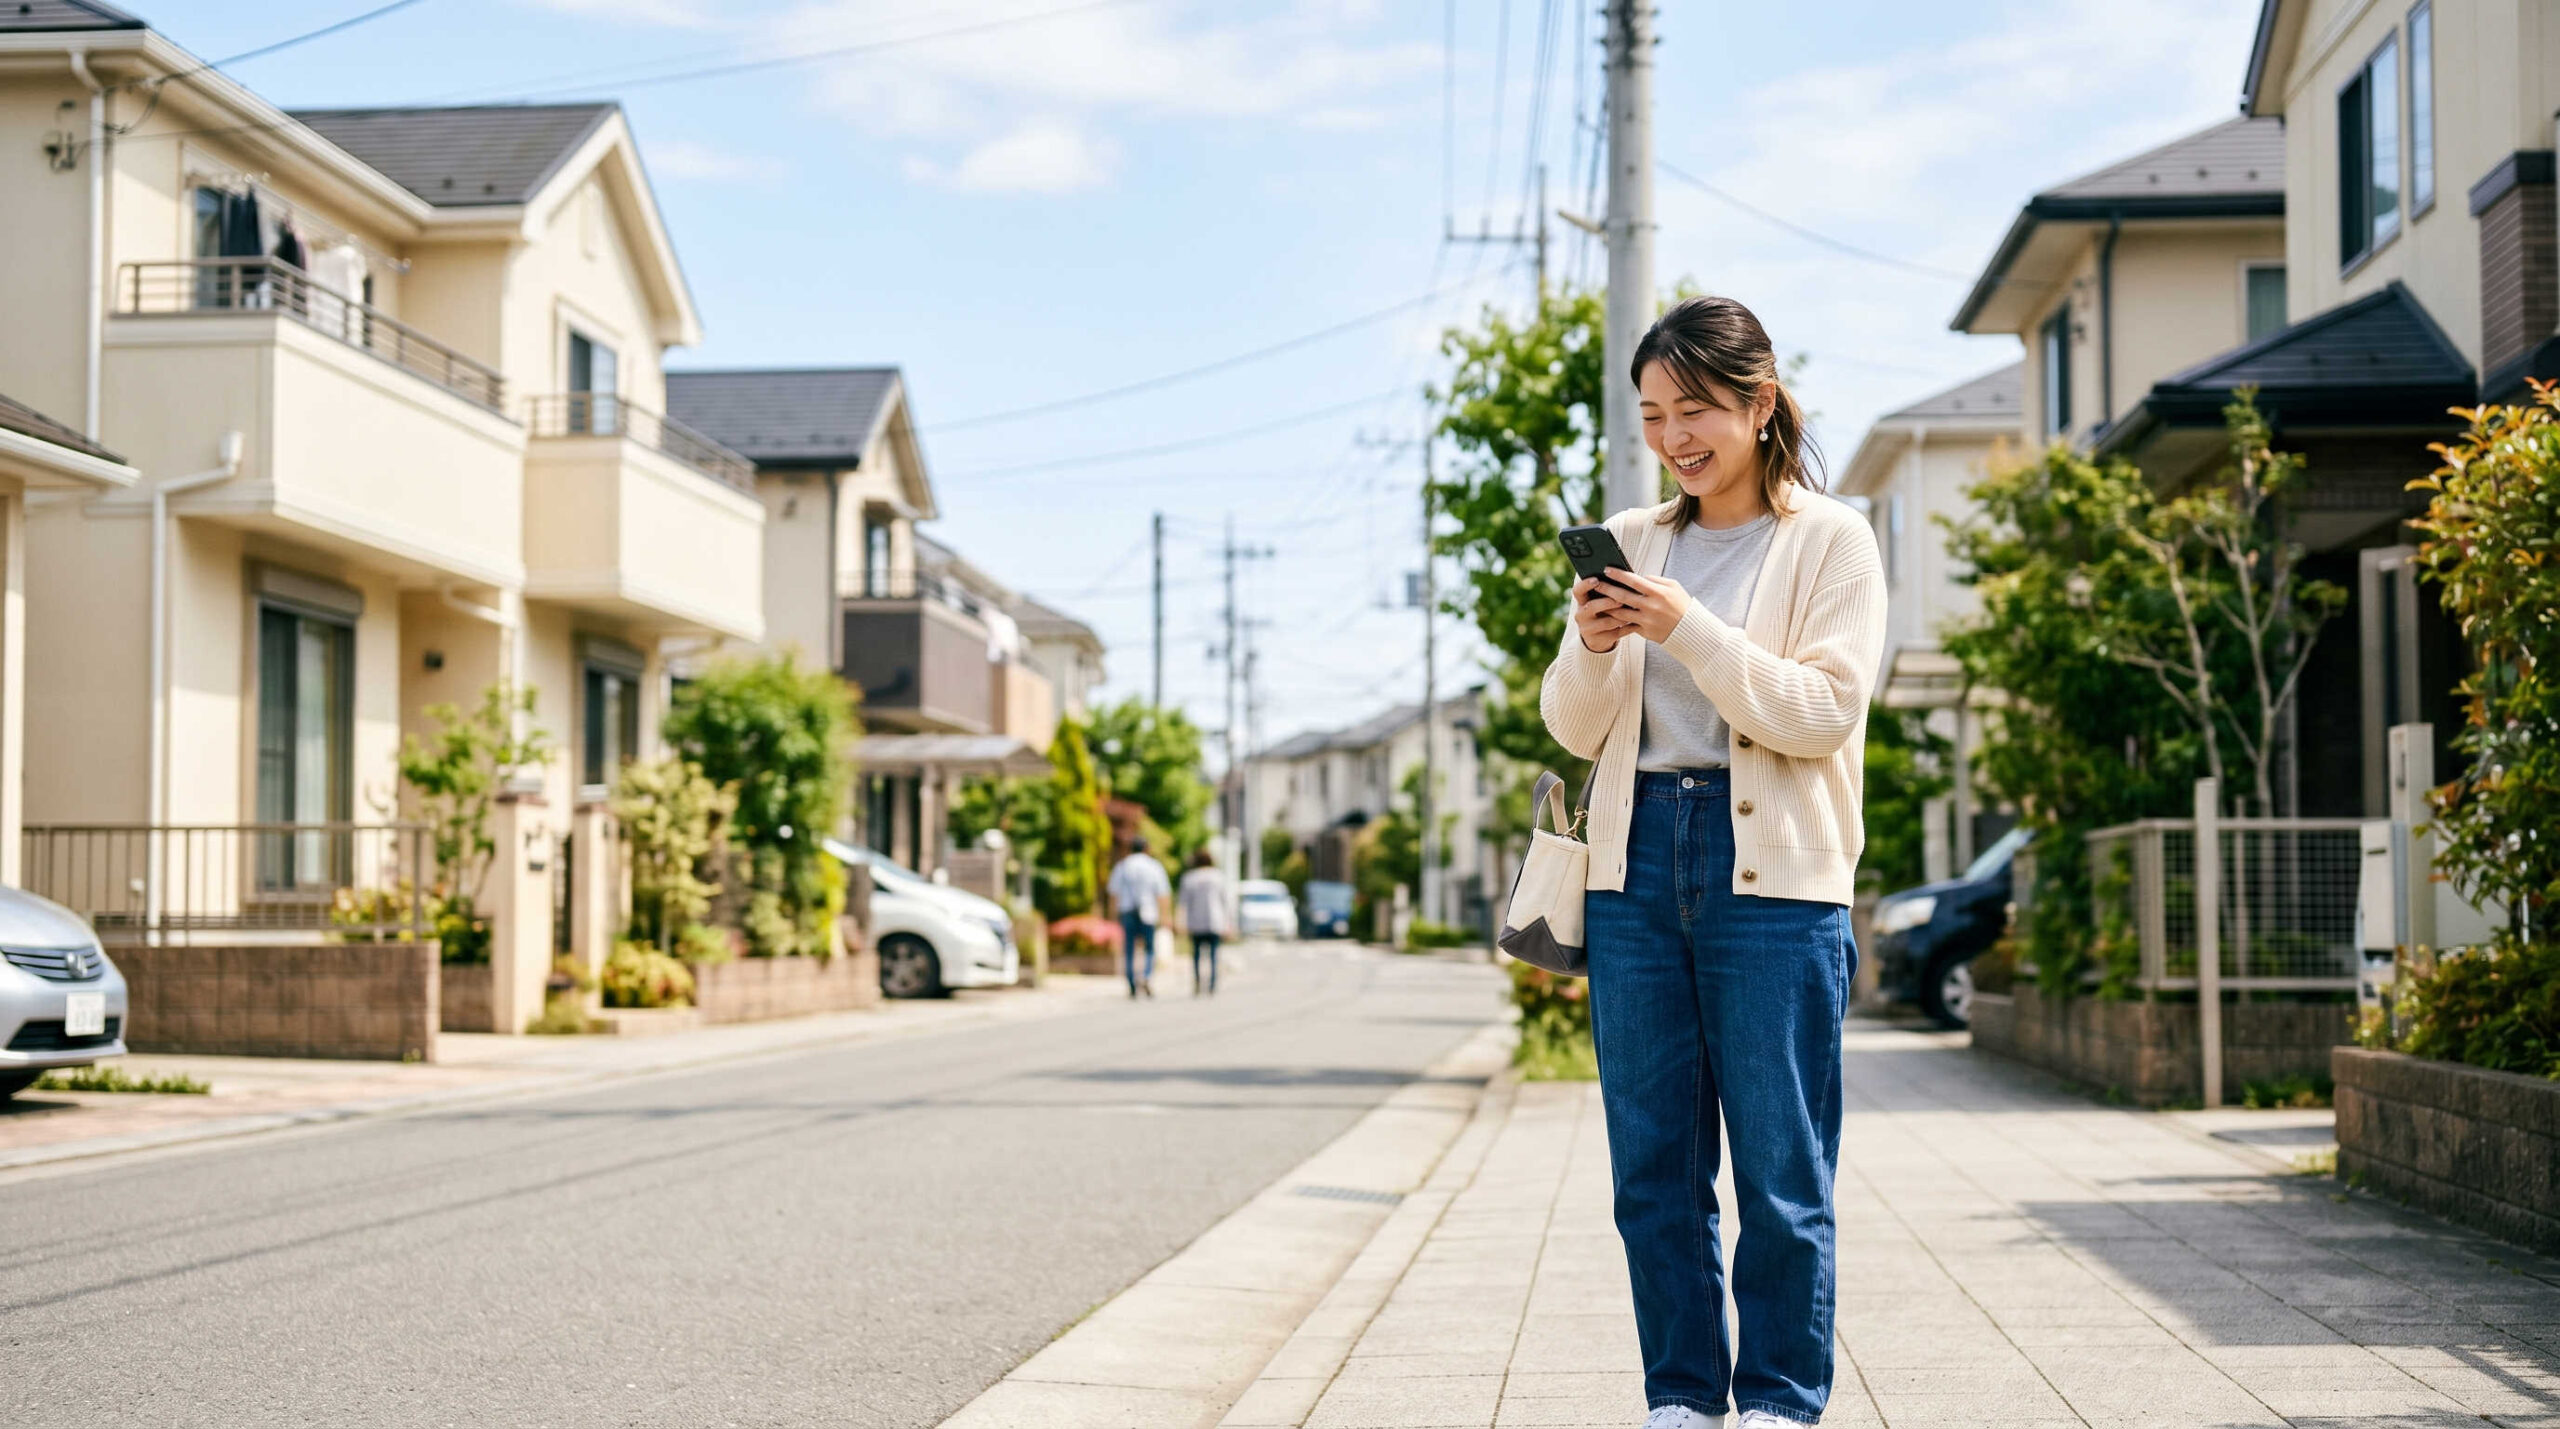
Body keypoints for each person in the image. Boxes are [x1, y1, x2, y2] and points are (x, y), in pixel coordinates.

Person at [1541, 296, 1885, 1429]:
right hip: (1633, 865)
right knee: (1653, 1171)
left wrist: (1687, 628)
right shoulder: (1634, 538)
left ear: (1759, 402)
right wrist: (1594, 644)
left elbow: (1820, 714)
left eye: (1693, 408)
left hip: (1774, 879)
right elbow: (1574, 723)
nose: (1673, 437)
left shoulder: (1831, 540)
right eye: (1652, 414)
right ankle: (1683, 1398)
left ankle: (1781, 1400)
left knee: (1782, 1172)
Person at [1106, 836, 1172, 999]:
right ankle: (1146, 975)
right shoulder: (1153, 866)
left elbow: (1113, 893)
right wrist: (1165, 915)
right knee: (1149, 948)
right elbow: (1163, 893)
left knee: (1129, 949)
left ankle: (1131, 982)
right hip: (1148, 911)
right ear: (1146, 849)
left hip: (1127, 911)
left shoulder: (1122, 866)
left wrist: (1112, 916)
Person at [1177, 849, 1232, 995]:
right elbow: (1225, 901)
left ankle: (1197, 981)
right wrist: (1228, 923)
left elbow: (1183, 902)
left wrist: (1180, 922)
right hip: (1215, 920)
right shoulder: (1218, 876)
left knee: (1196, 955)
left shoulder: (1189, 878)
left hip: (1195, 921)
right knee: (1213, 954)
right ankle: (1212, 983)